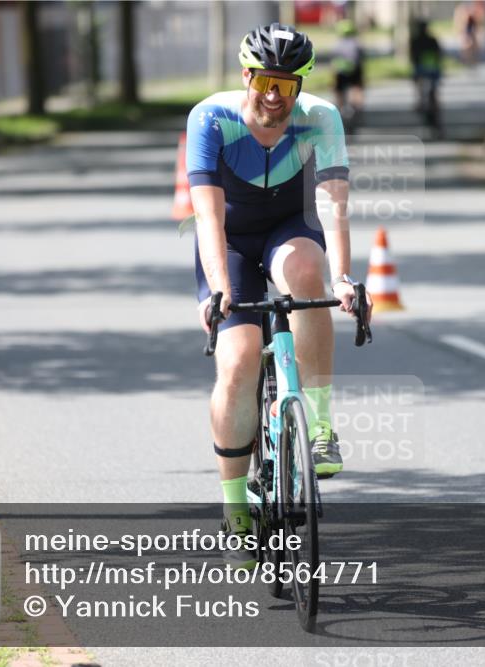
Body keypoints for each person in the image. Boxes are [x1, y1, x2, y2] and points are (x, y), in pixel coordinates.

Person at [186, 23, 372, 568]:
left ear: (299, 86)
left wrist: (344, 278)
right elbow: (207, 216)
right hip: (229, 240)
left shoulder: (321, 118)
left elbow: (333, 203)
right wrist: (220, 289)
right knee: (238, 360)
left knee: (308, 273)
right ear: (247, 76)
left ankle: (319, 425)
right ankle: (235, 505)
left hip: (290, 229)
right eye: (266, 81)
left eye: (286, 85)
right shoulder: (211, 118)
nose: (274, 95)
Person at [409, 19, 442, 135]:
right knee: (433, 92)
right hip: (433, 68)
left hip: (421, 69)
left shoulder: (415, 40)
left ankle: (420, 103)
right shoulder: (432, 40)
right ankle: (433, 108)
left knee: (419, 87)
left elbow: (412, 56)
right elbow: (439, 54)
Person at [332, 19, 365, 131]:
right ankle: (357, 109)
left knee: (338, 91)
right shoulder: (357, 44)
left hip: (340, 71)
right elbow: (361, 59)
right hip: (355, 70)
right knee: (357, 89)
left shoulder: (337, 44)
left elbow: (334, 61)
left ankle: (339, 109)